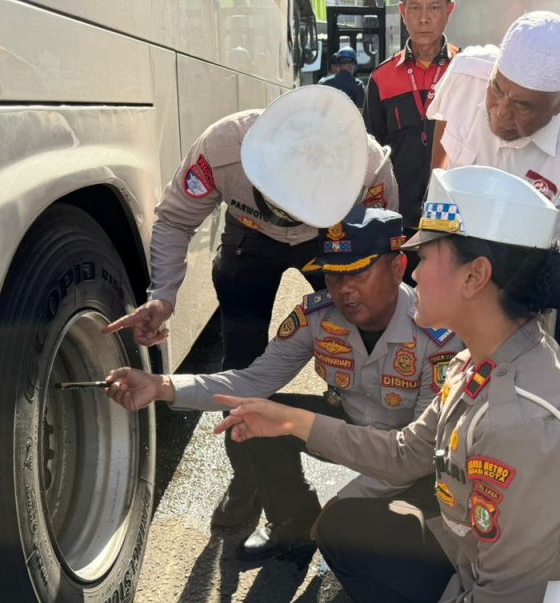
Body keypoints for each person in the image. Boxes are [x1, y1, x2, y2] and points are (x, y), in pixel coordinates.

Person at [212, 166, 560, 603]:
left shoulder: (517, 424)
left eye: (426, 256)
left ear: (475, 276)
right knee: (345, 528)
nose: (412, 269)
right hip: (488, 597)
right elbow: (406, 451)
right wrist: (294, 421)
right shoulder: (487, 357)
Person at [103, 86, 399, 530]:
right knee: (241, 360)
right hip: (249, 241)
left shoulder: (370, 169)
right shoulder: (221, 148)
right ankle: (248, 477)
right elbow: (176, 218)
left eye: (300, 210)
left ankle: (379, 455)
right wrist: (162, 294)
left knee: (363, 340)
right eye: (280, 207)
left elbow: (380, 256)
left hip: (331, 242)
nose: (288, 222)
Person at [104, 206, 461, 561]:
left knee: (380, 547)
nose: (344, 289)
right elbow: (251, 382)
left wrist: (342, 504)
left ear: (397, 267)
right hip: (348, 427)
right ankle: (293, 526)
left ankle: (355, 534)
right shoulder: (317, 316)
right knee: (254, 416)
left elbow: (418, 455)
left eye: (358, 272)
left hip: (410, 455)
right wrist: (161, 385)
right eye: (333, 275)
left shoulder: (439, 335)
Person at [428, 11, 560, 250]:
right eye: (496, 89)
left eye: (522, 106)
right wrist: (432, 221)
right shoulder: (465, 74)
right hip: (449, 235)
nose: (501, 112)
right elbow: (442, 139)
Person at [363, 0, 459, 274]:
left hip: (455, 218)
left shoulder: (465, 70)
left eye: (434, 8)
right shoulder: (381, 77)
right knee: (401, 292)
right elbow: (370, 152)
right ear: (403, 13)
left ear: (449, 11)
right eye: (415, 8)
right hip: (399, 217)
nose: (424, 18)